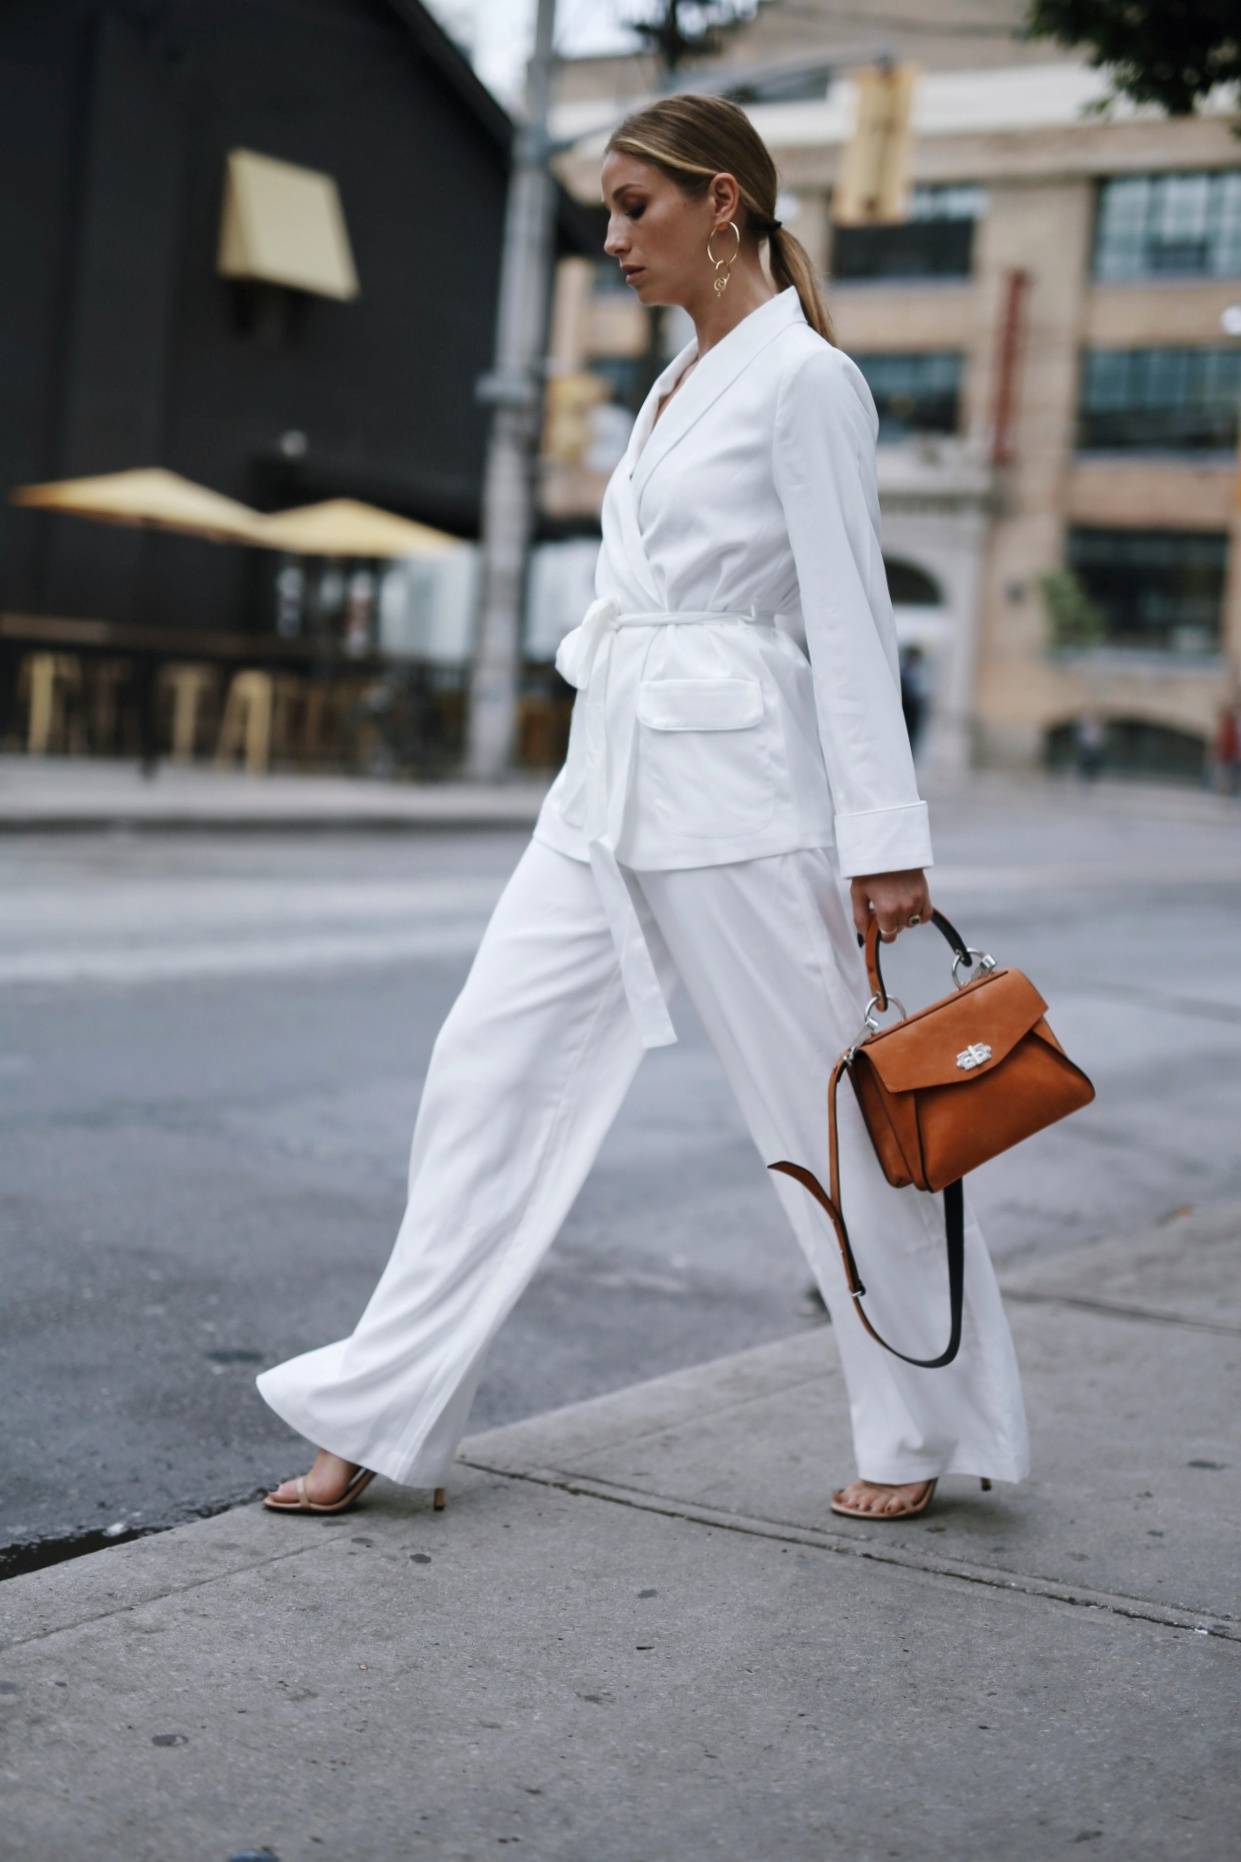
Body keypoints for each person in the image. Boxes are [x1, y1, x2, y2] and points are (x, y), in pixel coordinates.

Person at [257, 95, 1029, 1525]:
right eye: (606, 209)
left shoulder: (804, 381)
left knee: (835, 1120)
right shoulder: (681, 381)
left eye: (633, 206)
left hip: (741, 792)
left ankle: (921, 1415)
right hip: (605, 785)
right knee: (484, 1071)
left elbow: (851, 621)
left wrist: (886, 844)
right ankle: (373, 1405)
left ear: (720, 204)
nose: (609, 237)